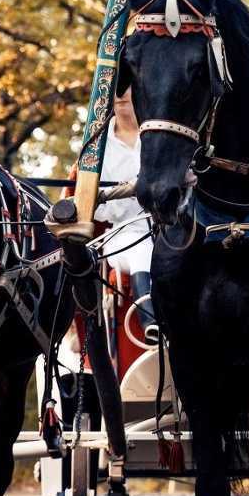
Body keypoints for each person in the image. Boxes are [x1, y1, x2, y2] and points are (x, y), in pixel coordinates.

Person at [95, 87, 157, 341]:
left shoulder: (156, 133)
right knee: (140, 248)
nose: (121, 94)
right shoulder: (98, 147)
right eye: (116, 90)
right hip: (124, 231)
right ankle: (148, 319)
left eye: (127, 87)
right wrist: (130, 193)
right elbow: (95, 207)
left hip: (165, 224)